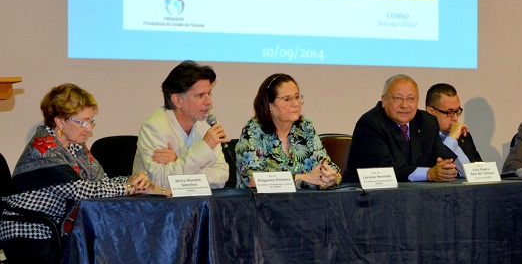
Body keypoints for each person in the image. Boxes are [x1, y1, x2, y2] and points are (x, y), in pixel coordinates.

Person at [0, 84, 167, 264]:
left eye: (91, 121)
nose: (89, 128)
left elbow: (101, 182)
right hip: (30, 232)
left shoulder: (76, 147)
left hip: (57, 230)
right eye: (83, 121)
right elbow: (81, 191)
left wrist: (135, 180)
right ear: (60, 121)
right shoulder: (44, 149)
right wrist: (129, 186)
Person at [132, 60, 230, 189]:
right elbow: (159, 181)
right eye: (200, 95)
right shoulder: (153, 128)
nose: (209, 101)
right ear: (177, 100)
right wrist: (204, 148)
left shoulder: (205, 125)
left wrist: (177, 160)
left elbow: (221, 177)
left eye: (209, 93)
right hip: (159, 206)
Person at [343, 74, 458, 183]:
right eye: (398, 98)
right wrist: (428, 173)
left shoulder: (427, 121)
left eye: (411, 99)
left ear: (417, 101)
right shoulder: (370, 123)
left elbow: (441, 156)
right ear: (384, 100)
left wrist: (445, 167)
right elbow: (384, 169)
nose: (404, 105)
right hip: (366, 198)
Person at [235, 73, 341, 189]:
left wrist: (332, 177)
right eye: (287, 99)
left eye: (297, 97)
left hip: (304, 204)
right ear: (269, 105)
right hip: (262, 205)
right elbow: (253, 180)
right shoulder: (253, 130)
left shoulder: (305, 128)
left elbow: (328, 166)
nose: (296, 104)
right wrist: (303, 178)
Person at [425, 83, 482, 177]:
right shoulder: (423, 138)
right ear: (431, 111)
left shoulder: (464, 136)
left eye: (457, 111)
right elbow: (434, 168)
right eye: (450, 112)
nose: (455, 118)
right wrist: (452, 139)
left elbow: (480, 166)